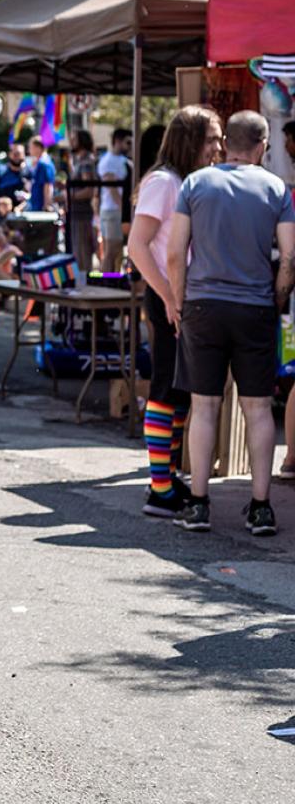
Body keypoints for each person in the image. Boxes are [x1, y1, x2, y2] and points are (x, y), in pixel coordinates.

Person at [167, 111, 295, 537]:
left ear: (227, 145)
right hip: (255, 309)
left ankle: (199, 503)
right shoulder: (277, 188)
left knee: (204, 406)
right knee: (258, 409)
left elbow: (174, 252)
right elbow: (290, 258)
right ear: (261, 145)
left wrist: (181, 300)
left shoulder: (195, 184)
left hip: (203, 305)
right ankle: (260, 507)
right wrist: (276, 298)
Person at [126, 107, 223, 519]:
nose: (218, 148)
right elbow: (137, 246)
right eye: (211, 139)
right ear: (190, 140)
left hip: (180, 299)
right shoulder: (164, 182)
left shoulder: (183, 182)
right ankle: (159, 487)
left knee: (179, 390)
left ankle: (166, 479)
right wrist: (167, 296)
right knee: (166, 388)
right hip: (168, 299)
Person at [97, 128, 133, 271]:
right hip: (113, 211)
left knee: (116, 252)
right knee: (111, 251)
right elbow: (112, 190)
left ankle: (113, 280)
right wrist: (125, 211)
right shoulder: (108, 161)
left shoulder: (124, 160)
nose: (130, 145)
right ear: (118, 141)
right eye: (128, 142)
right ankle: (105, 282)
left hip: (114, 211)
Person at [66, 130, 99, 269]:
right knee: (78, 253)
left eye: (74, 139)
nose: (71, 142)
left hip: (82, 214)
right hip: (77, 213)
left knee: (82, 254)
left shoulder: (86, 162)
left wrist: (68, 196)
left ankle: (85, 286)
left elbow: (89, 189)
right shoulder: (80, 161)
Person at [0, 141, 28, 206]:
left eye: (19, 154)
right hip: (2, 213)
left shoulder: (29, 172)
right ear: (10, 154)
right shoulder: (0, 171)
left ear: (24, 155)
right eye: (14, 154)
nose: (17, 157)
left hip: (23, 212)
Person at [27, 138, 57, 212]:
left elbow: (48, 185)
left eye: (31, 147)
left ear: (38, 148)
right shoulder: (40, 162)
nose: (29, 150)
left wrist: (47, 205)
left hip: (41, 207)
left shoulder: (44, 164)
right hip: (36, 205)